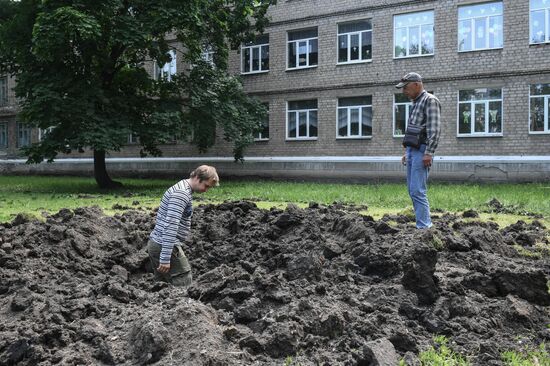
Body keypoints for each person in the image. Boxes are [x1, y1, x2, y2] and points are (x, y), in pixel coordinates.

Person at [147, 165, 219, 286]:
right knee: (184, 282)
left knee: (162, 286)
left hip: (159, 243)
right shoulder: (181, 194)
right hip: (164, 245)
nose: (205, 190)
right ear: (197, 177)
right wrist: (165, 257)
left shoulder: (183, 188)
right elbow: (171, 225)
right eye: (206, 186)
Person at [396, 72, 441, 229]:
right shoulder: (416, 102)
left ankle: (424, 228)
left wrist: (429, 152)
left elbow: (434, 129)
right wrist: (406, 151)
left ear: (416, 84)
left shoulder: (430, 101)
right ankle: (422, 225)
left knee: (417, 190)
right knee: (412, 190)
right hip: (412, 151)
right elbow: (414, 129)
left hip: (422, 151)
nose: (404, 92)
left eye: (406, 88)